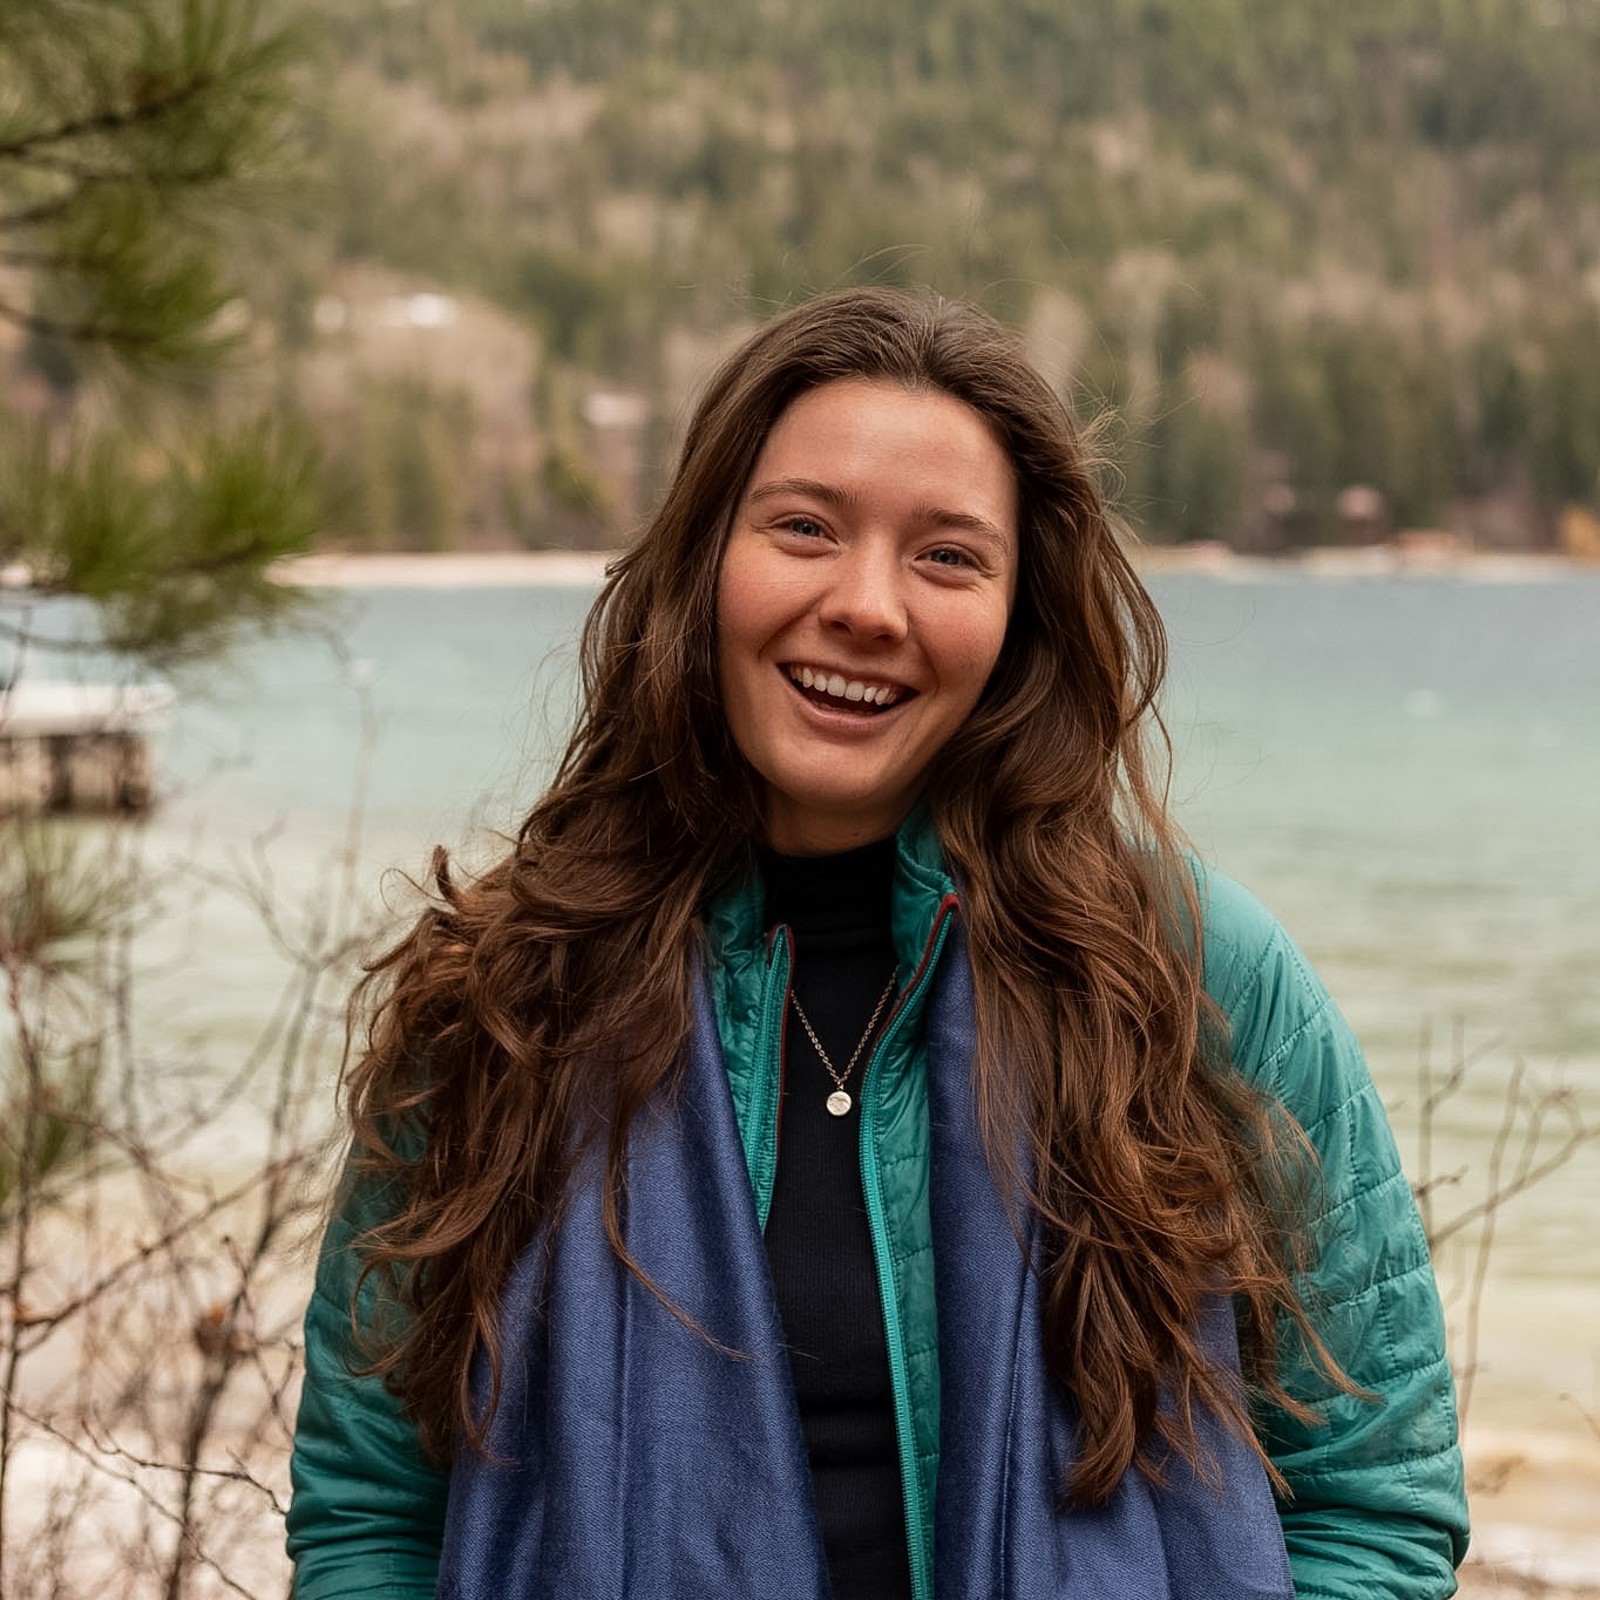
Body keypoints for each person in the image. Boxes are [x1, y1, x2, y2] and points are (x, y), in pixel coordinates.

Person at [288, 288, 1469, 1600]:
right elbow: (372, 1513)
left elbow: (1374, 1498)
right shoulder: (512, 991)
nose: (866, 606)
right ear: (705, 560)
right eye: (804, 527)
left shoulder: (1188, 974)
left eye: (948, 557)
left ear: (1019, 619)